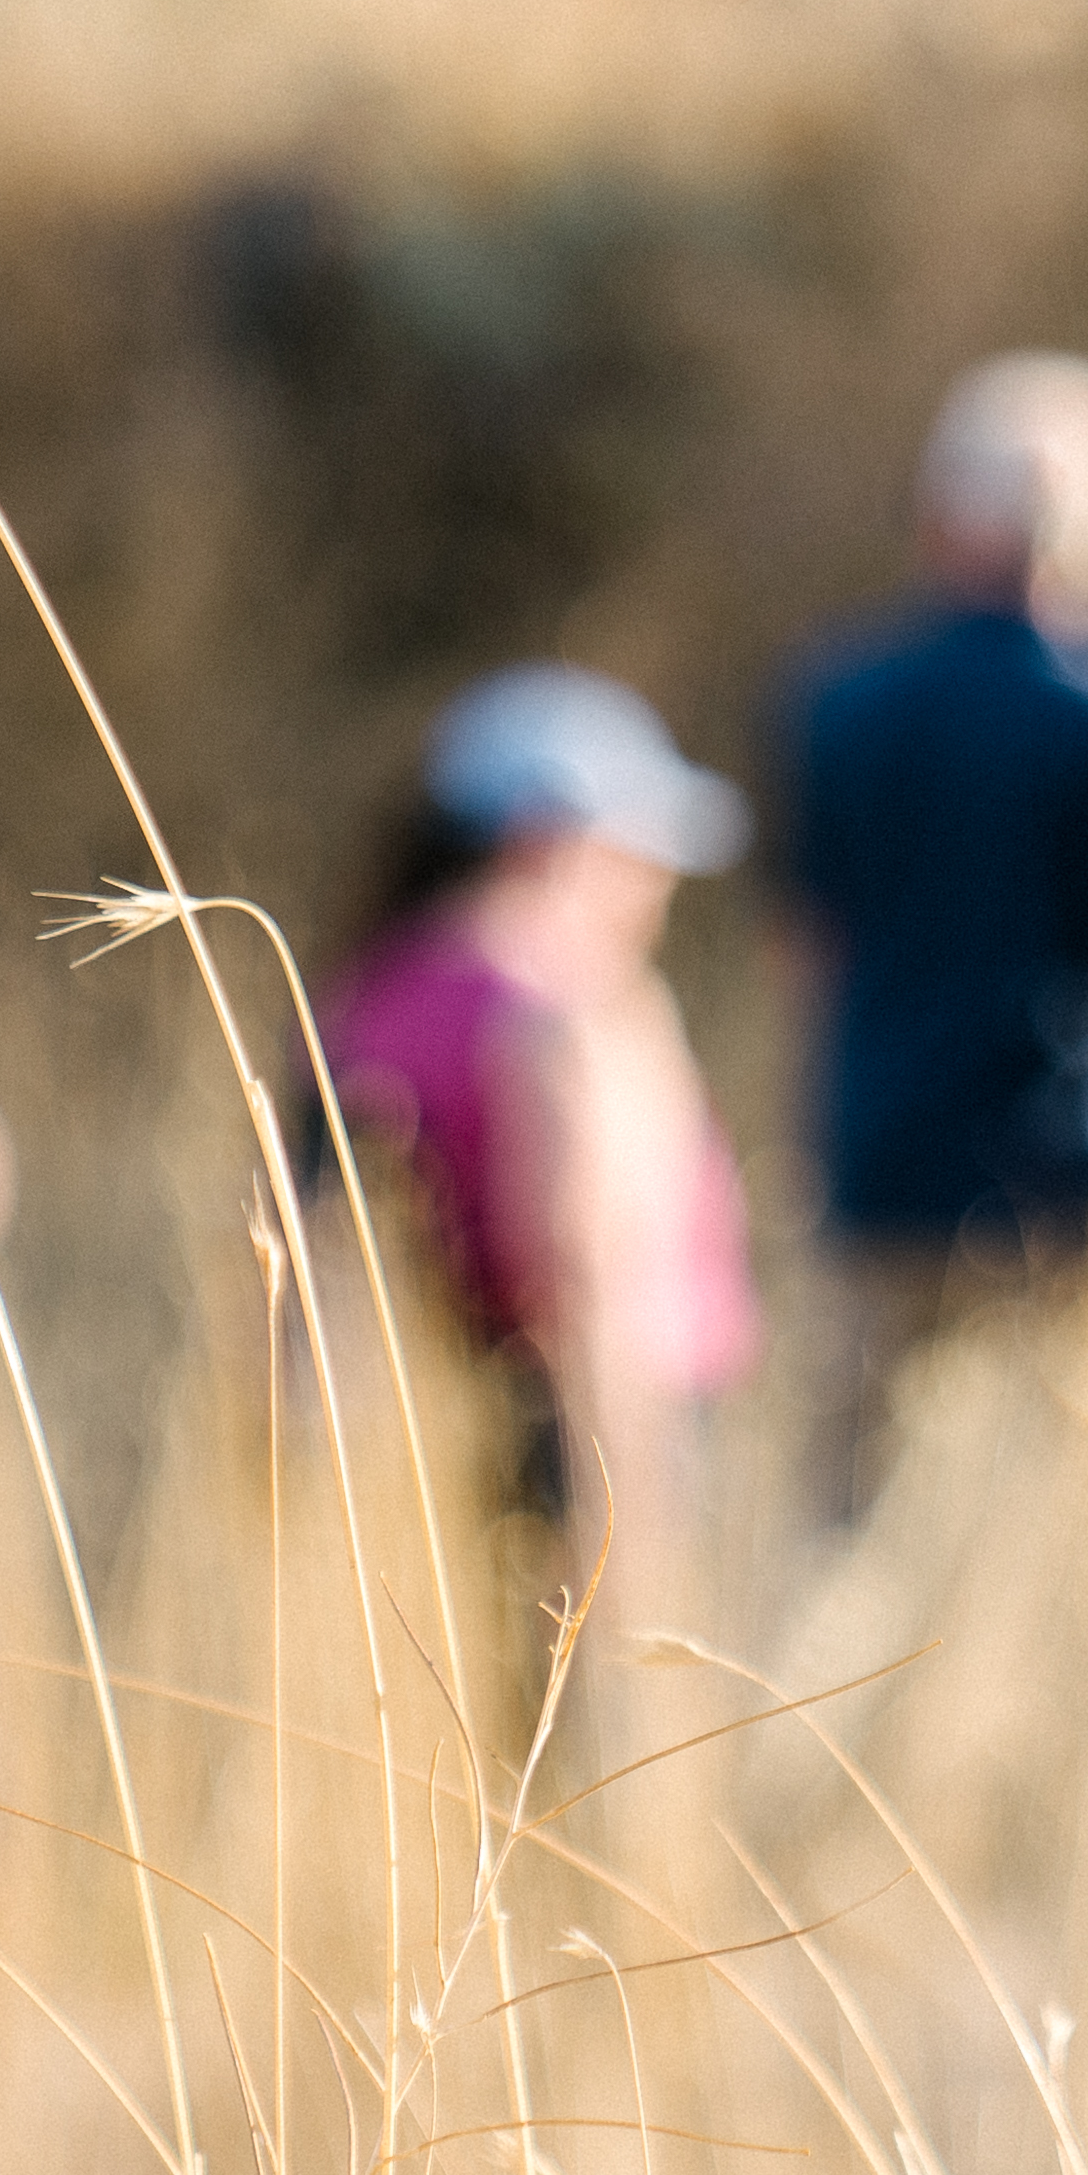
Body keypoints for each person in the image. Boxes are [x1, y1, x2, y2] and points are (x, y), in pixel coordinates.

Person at [771, 354, 1088, 1531]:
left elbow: (810, 953)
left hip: (878, 1159)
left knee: (858, 1524)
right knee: (1072, 1533)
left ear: (940, 514)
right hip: (1074, 1185)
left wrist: (810, 1140)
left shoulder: (839, 697)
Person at [318, 667, 761, 1638]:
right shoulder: (571, 1013)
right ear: (548, 840)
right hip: (583, 1443)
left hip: (416, 1442)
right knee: (588, 1758)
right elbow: (592, 1272)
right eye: (638, 850)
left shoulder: (364, 997)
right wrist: (627, 1519)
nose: (659, 883)